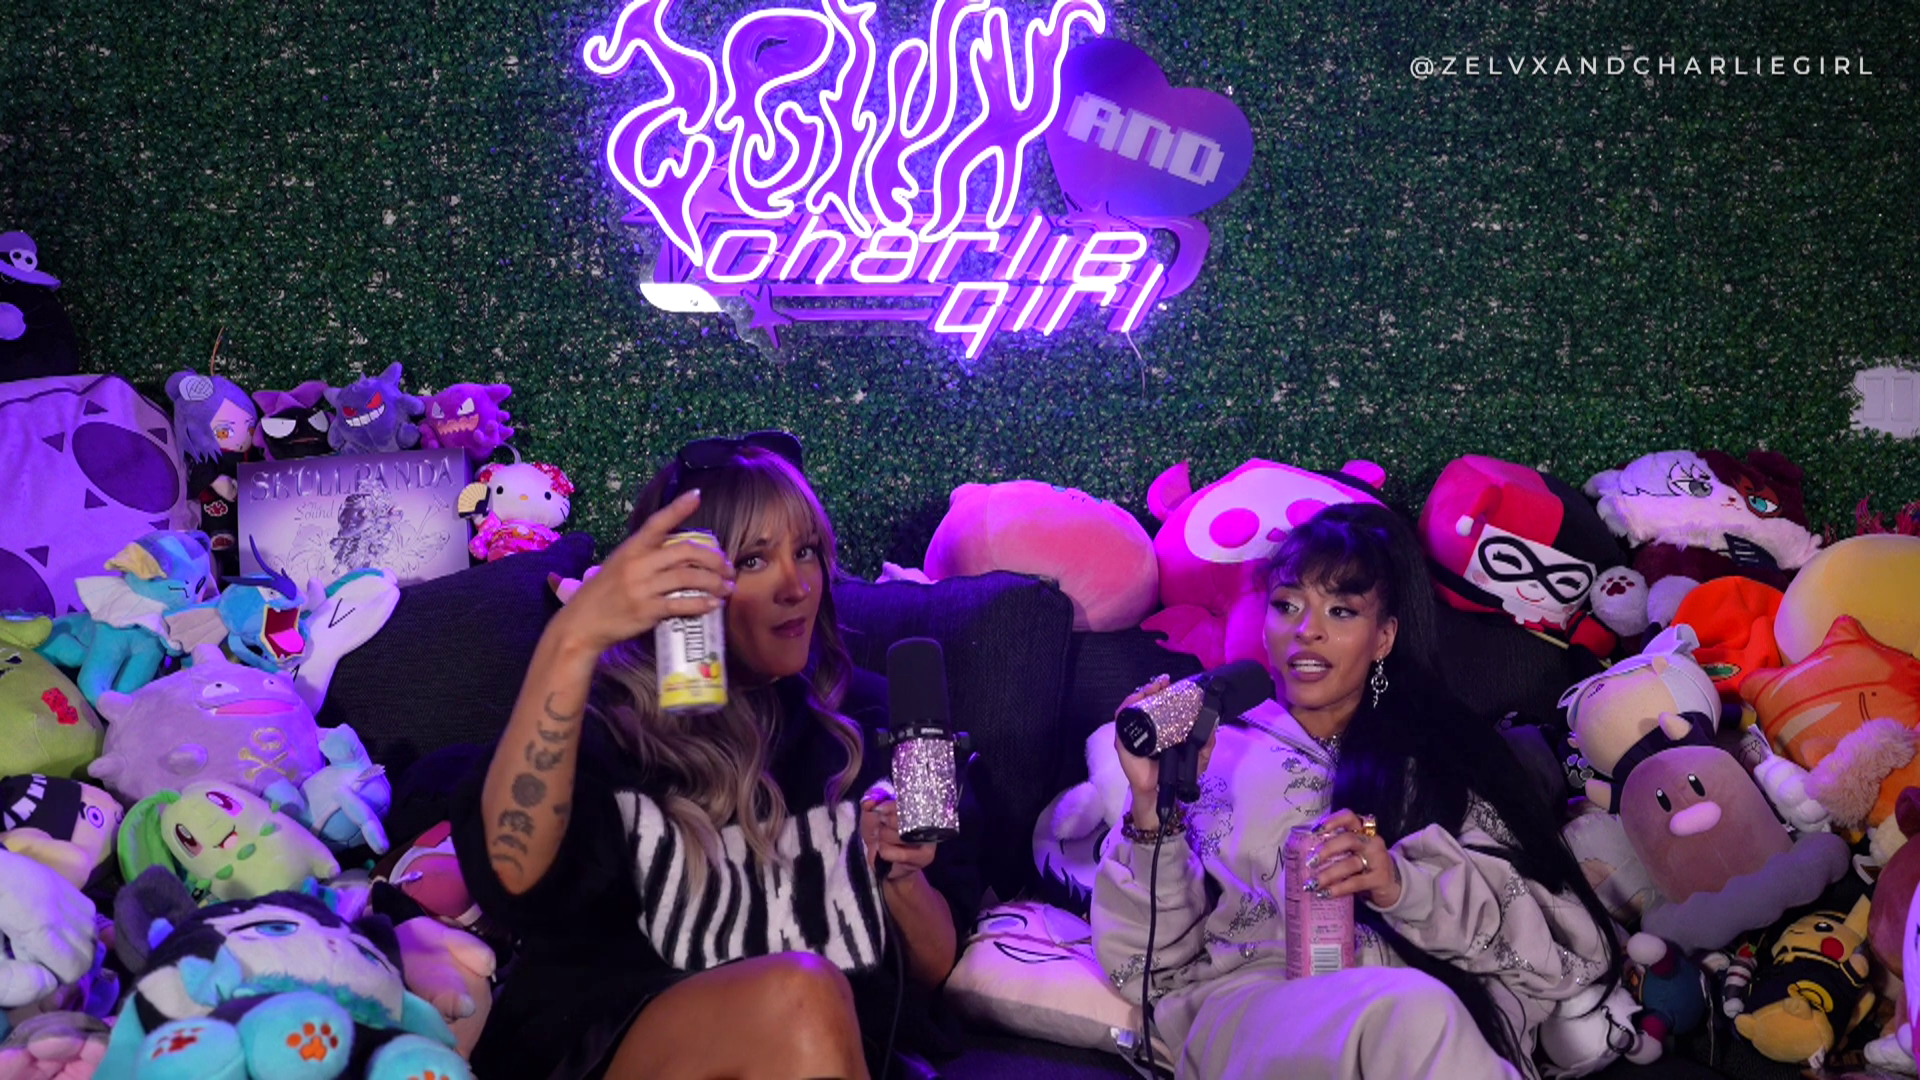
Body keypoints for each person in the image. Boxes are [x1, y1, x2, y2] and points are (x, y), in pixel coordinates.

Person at [452, 431, 982, 1080]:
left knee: (812, 1003)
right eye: (753, 560)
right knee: (801, 995)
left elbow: (934, 967)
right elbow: (512, 880)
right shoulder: (605, 724)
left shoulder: (870, 717)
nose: (796, 585)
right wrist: (573, 640)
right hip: (618, 1048)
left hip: (826, 1050)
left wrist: (901, 876)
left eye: (806, 551)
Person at [1093, 501, 1620, 1080]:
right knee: (1417, 1011)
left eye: (1341, 610)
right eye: (1286, 605)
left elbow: (1570, 954)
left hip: (1419, 1030)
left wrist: (1401, 886)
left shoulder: (1439, 762)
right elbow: (1145, 970)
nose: (1306, 630)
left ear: (1384, 637)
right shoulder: (1210, 750)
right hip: (1256, 1018)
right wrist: (1151, 806)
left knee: (1421, 1008)